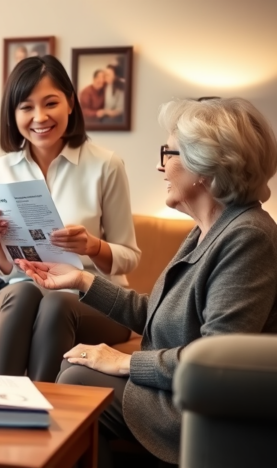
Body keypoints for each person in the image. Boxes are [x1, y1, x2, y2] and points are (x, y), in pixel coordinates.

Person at [17, 97, 277, 466]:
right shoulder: (207, 231)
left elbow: (216, 362)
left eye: (168, 152)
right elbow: (155, 313)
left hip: (197, 406)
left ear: (205, 163)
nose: (160, 165)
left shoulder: (249, 238)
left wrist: (124, 363)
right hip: (174, 389)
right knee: (77, 375)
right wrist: (80, 280)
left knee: (77, 383)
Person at [0, 55, 140, 382]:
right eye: (26, 107)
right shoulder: (1, 169)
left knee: (56, 305)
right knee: (24, 294)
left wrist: (92, 246)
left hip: (93, 300)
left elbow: (129, 257)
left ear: (70, 104)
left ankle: (44, 417)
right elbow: (6, 271)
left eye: (50, 103)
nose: (39, 117)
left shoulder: (105, 165)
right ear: (13, 113)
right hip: (21, 293)